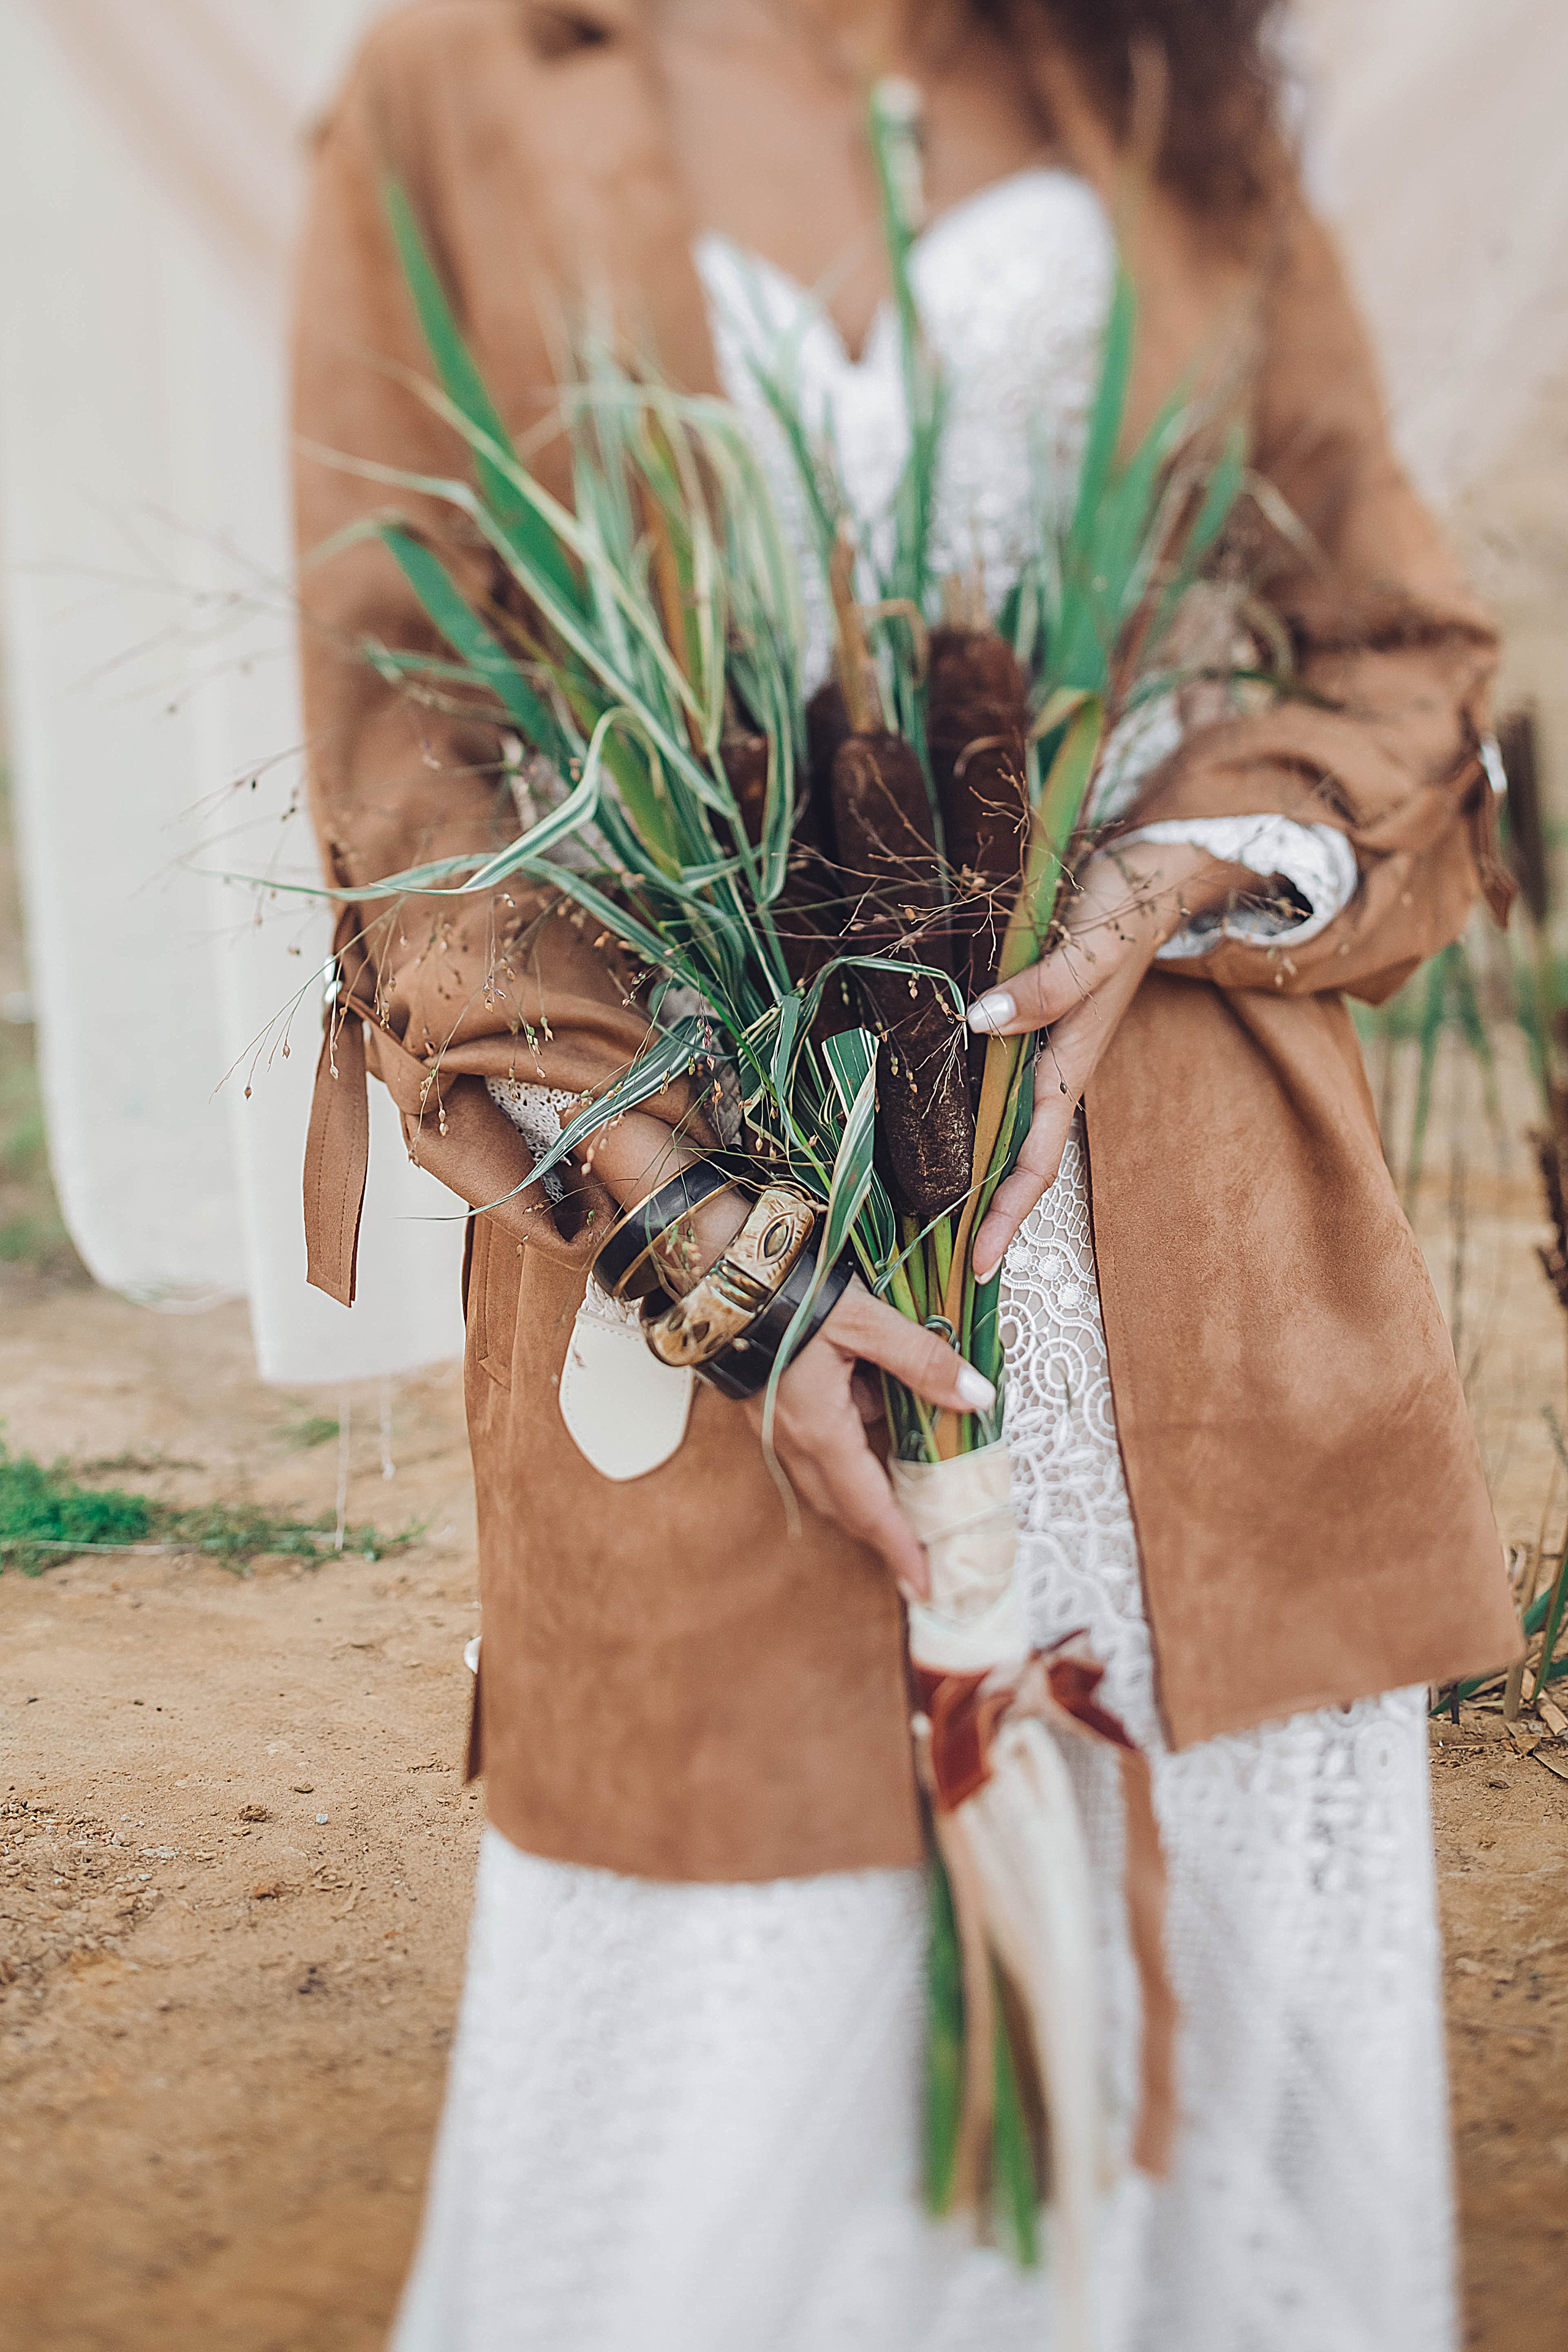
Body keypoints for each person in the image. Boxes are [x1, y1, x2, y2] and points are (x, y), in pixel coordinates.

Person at [292, 3, 1521, 2345]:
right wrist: (703, 1249)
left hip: (1192, 1280)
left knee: (1200, 2092)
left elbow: (1397, 646)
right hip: (686, 1254)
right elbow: (403, 743)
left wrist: (1163, 868)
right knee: (736, 2105)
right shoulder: (459, 90)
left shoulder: (1165, 86)